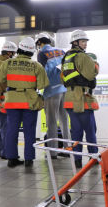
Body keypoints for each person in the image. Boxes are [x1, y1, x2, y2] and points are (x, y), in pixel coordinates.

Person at [0, 37, 49, 168]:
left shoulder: (8, 63)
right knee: (29, 130)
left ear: (19, 49)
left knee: (11, 130)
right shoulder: (37, 65)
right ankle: (29, 159)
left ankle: (11, 158)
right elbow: (43, 85)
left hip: (12, 100)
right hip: (29, 100)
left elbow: (0, 77)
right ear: (32, 52)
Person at [61, 30, 99, 168]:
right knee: (90, 130)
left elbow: (63, 78)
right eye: (83, 41)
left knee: (76, 131)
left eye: (86, 41)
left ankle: (77, 159)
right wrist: (96, 66)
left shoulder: (66, 57)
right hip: (82, 98)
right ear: (75, 42)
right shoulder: (83, 56)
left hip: (69, 98)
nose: (85, 44)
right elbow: (90, 75)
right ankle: (93, 157)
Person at [36, 33, 69, 159]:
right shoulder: (61, 51)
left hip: (51, 90)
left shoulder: (42, 53)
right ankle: (68, 148)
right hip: (64, 89)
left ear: (39, 43)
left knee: (51, 122)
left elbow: (41, 72)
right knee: (64, 121)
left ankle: (53, 151)